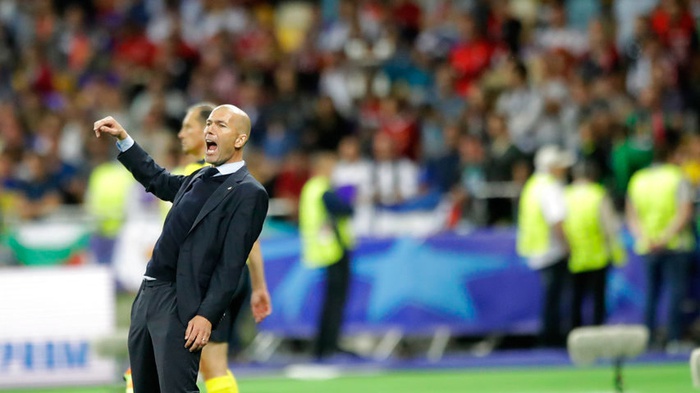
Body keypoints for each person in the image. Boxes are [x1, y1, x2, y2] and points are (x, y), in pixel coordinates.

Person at [94, 104, 269, 393]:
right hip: (149, 294)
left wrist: (206, 316)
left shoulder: (248, 192)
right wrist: (125, 139)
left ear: (240, 140)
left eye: (221, 125)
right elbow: (158, 181)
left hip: (181, 302)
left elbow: (230, 265)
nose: (210, 129)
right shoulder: (200, 176)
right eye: (209, 123)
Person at [626, 143, 694, 353]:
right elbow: (685, 211)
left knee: (651, 295)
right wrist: (665, 238)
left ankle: (648, 340)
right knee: (675, 293)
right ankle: (673, 340)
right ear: (671, 156)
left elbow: (632, 215)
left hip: (648, 246)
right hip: (675, 245)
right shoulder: (678, 177)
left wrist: (646, 238)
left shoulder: (638, 179)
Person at [299, 152, 355, 360]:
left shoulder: (310, 189)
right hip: (333, 252)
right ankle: (327, 346)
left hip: (321, 251)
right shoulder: (322, 188)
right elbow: (345, 210)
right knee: (333, 303)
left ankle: (325, 345)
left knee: (330, 303)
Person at [516, 145, 573, 347]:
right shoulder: (551, 187)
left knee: (549, 299)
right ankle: (552, 341)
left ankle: (547, 339)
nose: (564, 170)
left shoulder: (532, 185)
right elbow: (557, 220)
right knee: (555, 301)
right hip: (552, 250)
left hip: (536, 250)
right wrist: (568, 246)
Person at [562, 161, 626, 328]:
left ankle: (574, 334)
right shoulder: (598, 194)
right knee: (598, 298)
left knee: (576, 298)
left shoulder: (565, 195)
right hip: (597, 255)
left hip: (574, 255)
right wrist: (617, 254)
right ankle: (597, 333)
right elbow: (609, 227)